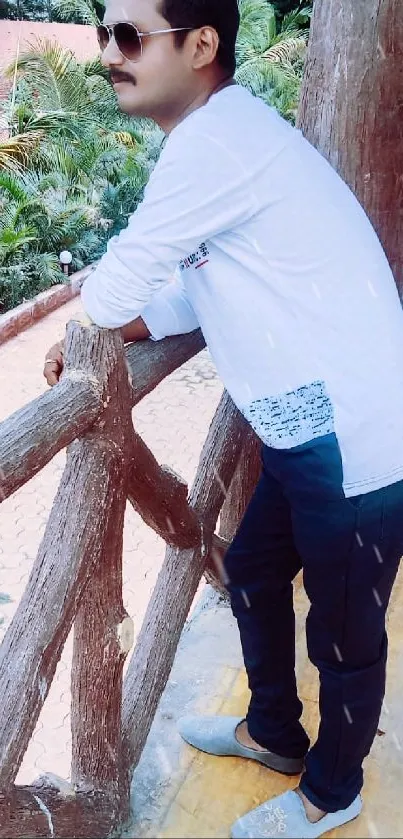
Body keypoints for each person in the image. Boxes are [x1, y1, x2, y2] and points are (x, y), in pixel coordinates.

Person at [43, 1, 403, 836]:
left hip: (352, 434)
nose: (107, 53)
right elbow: (170, 295)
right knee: (249, 568)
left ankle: (331, 789)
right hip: (301, 423)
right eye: (102, 33)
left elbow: (119, 287)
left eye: (128, 35)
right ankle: (273, 731)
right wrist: (112, 318)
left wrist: (91, 320)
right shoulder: (222, 141)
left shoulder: (216, 143)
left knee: (346, 634)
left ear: (201, 45)